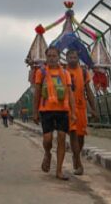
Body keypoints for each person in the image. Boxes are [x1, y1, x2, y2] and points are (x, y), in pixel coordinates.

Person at [32, 46, 76, 180]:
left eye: (54, 56)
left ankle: (59, 170)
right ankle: (47, 153)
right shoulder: (41, 72)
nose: (52, 58)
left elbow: (70, 93)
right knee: (48, 139)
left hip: (62, 110)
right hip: (46, 110)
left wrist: (73, 112)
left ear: (58, 57)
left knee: (62, 138)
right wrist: (35, 112)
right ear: (46, 58)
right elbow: (37, 92)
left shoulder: (65, 73)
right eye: (49, 56)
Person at [65, 49, 98, 176]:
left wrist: (93, 109)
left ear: (78, 58)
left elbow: (88, 91)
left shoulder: (83, 72)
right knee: (73, 134)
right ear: (67, 59)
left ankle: (76, 155)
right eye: (70, 57)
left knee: (81, 136)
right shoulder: (64, 71)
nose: (73, 59)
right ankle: (78, 163)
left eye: (75, 57)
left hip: (81, 108)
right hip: (68, 109)